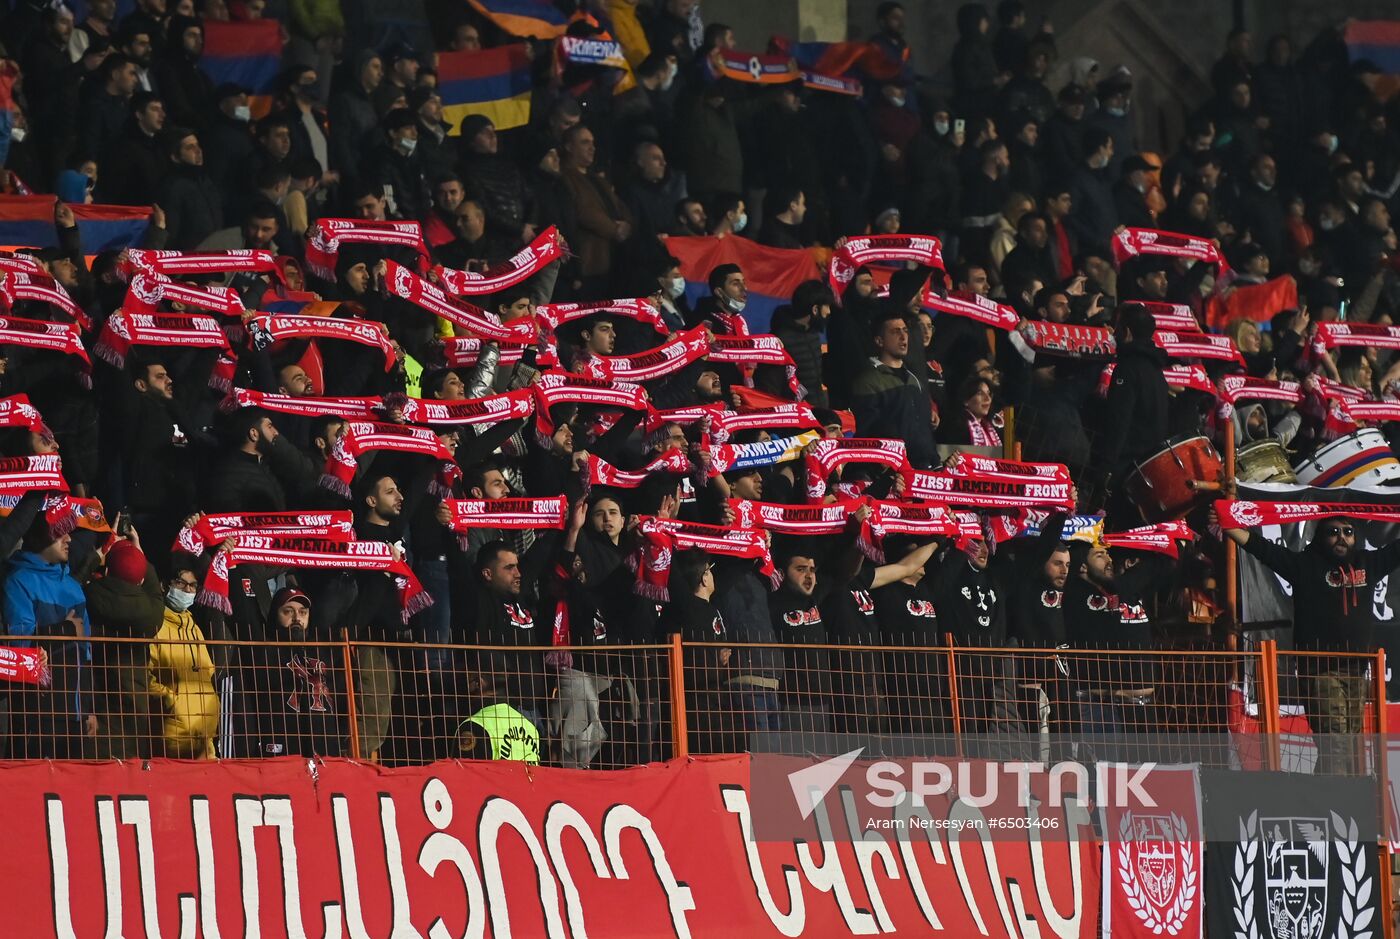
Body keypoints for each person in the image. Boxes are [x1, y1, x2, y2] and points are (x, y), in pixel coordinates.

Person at [1215, 511, 1400, 774]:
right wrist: (1226, 522)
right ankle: (1337, 802)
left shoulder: (1368, 563)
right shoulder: (1305, 565)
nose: (1341, 538)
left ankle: (1336, 803)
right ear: (1320, 536)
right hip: (1321, 671)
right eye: (1333, 532)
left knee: (1350, 742)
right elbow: (1260, 547)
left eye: (1347, 532)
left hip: (1357, 670)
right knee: (1335, 743)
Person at [84, 534, 164, 759]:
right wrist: (138, 555)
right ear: (140, 580)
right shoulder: (151, 613)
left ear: (107, 572)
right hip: (135, 709)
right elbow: (155, 593)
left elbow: (73, 580)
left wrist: (98, 554)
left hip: (98, 708)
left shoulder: (88, 595)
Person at [243, 586, 342, 758]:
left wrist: (386, 572)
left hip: (325, 746)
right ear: (275, 615)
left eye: (303, 612)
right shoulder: (264, 650)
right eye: (288, 611)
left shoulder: (324, 649)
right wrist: (234, 568)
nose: (297, 618)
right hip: (282, 749)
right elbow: (245, 613)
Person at [147, 565, 219, 759]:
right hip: (172, 737)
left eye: (193, 585)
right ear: (164, 585)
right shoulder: (155, 625)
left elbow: (208, 672)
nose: (188, 590)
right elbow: (144, 675)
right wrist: (171, 701)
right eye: (181, 583)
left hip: (205, 737)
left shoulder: (193, 627)